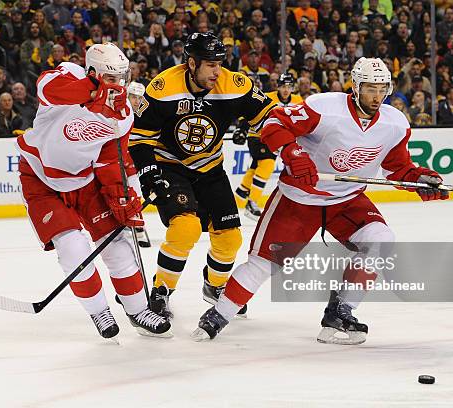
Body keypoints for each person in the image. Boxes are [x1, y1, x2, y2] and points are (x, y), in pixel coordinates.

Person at [192, 57, 449, 344]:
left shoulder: (395, 123)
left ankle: (340, 313)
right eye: (369, 89)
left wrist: (418, 179)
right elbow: (274, 123)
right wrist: (293, 153)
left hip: (347, 201)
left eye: (382, 89)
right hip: (299, 200)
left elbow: (397, 166)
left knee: (381, 240)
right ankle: (218, 314)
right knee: (264, 264)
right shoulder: (326, 108)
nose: (376, 97)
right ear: (355, 86)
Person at [16, 43, 171, 340]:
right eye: (110, 78)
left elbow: (111, 159)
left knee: (119, 248)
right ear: (92, 72)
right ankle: (99, 311)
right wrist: (92, 91)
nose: (118, 86)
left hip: (85, 181)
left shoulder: (122, 113)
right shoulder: (68, 76)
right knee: (73, 249)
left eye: (122, 78)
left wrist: (125, 197)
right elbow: (47, 88)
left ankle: (138, 310)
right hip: (40, 178)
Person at [129, 32, 276, 319]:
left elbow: (269, 115)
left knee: (231, 238)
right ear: (192, 63)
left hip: (210, 168)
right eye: (210, 65)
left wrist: (290, 143)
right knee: (185, 229)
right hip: (171, 167)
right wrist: (149, 174)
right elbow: (140, 139)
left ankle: (215, 285)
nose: (217, 71)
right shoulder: (162, 87)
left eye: (220, 64)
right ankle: (161, 290)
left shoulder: (234, 84)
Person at [233, 73, 303, 221]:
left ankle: (238, 198)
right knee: (267, 164)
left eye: (289, 87)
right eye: (283, 86)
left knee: (254, 168)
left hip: (275, 139)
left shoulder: (298, 101)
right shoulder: (267, 97)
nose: (286, 90)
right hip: (257, 136)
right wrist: (242, 129)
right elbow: (251, 112)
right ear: (278, 86)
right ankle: (252, 203)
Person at [126, 80, 152, 249]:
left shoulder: (147, 118)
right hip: (119, 161)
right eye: (133, 97)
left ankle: (138, 225)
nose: (136, 101)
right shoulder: (119, 114)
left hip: (135, 164)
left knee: (135, 192)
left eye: (139, 98)